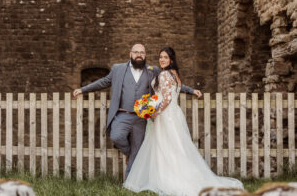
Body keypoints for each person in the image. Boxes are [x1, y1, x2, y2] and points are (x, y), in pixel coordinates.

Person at [123, 47, 244, 195]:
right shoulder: (175, 75)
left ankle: (167, 179)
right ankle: (169, 176)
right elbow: (172, 93)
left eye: (165, 57)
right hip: (174, 115)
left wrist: (154, 113)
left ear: (171, 60)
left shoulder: (164, 75)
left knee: (165, 147)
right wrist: (192, 91)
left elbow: (166, 99)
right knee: (175, 147)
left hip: (165, 116)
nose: (162, 59)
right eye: (160, 57)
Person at [73, 44, 201, 179]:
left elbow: (171, 84)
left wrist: (191, 90)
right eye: (136, 52)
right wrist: (83, 89)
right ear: (130, 54)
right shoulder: (118, 69)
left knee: (137, 150)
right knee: (116, 136)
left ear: (145, 55)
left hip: (142, 118)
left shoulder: (153, 70)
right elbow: (103, 82)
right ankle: (127, 152)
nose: (139, 55)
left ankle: (129, 182)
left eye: (142, 52)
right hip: (123, 114)